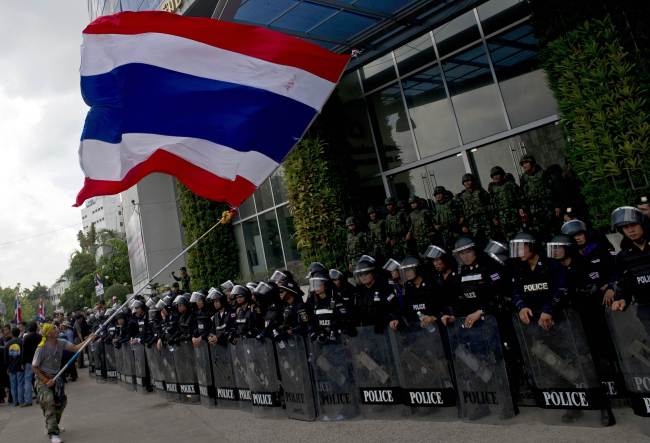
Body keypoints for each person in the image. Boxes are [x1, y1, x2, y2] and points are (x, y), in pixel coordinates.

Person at [33, 323, 94, 443]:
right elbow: (34, 367)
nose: (57, 329)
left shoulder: (61, 342)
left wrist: (89, 339)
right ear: (48, 333)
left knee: (61, 403)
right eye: (54, 329)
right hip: (43, 379)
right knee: (49, 401)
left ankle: (53, 425)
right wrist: (46, 380)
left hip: (57, 377)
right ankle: (53, 433)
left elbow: (76, 348)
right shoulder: (41, 347)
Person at [611, 207, 650, 311]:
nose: (630, 230)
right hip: (644, 306)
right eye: (625, 227)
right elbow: (622, 282)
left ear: (642, 224)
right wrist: (621, 298)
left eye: (633, 225)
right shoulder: (622, 256)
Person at [519, 155, 555, 238]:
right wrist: (523, 209)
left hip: (547, 207)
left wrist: (556, 205)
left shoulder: (543, 173)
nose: (524, 165)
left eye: (526, 163)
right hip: (533, 211)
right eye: (523, 164)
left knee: (551, 230)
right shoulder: (524, 178)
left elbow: (552, 189)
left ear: (532, 163)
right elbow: (522, 195)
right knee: (540, 233)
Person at [488, 166, 524, 242]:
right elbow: (492, 204)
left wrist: (521, 208)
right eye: (494, 175)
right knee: (508, 238)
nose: (496, 177)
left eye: (497, 174)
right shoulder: (492, 189)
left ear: (502, 175)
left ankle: (521, 253)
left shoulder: (511, 185)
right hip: (502, 218)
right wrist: (494, 217)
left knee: (519, 236)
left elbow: (520, 197)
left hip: (514, 214)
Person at [456, 173, 491, 245]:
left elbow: (490, 205)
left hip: (485, 221)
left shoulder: (481, 192)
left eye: (469, 180)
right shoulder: (461, 196)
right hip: (472, 224)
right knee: (477, 243)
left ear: (473, 181)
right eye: (465, 182)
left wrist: (493, 218)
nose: (467, 183)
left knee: (489, 241)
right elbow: (460, 213)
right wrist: (463, 225)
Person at [432, 186, 460, 250]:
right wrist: (435, 225)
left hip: (454, 231)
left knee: (459, 248)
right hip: (444, 233)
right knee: (449, 250)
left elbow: (460, 215)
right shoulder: (436, 206)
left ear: (444, 194)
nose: (438, 196)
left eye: (439, 194)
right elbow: (433, 218)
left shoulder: (452, 203)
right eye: (436, 195)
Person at [22, 321, 41, 407]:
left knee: (28, 381)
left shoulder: (26, 338)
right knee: (40, 379)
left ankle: (28, 400)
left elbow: (24, 352)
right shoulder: (40, 337)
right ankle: (40, 397)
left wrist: (23, 362)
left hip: (29, 362)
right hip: (39, 361)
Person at [5, 327, 24, 407]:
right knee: (20, 384)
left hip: (11, 367)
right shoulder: (22, 342)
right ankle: (21, 401)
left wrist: (7, 367)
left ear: (12, 334)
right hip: (20, 366)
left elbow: (5, 357)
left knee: (13, 385)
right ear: (19, 333)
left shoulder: (8, 344)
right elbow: (23, 354)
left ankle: (15, 402)